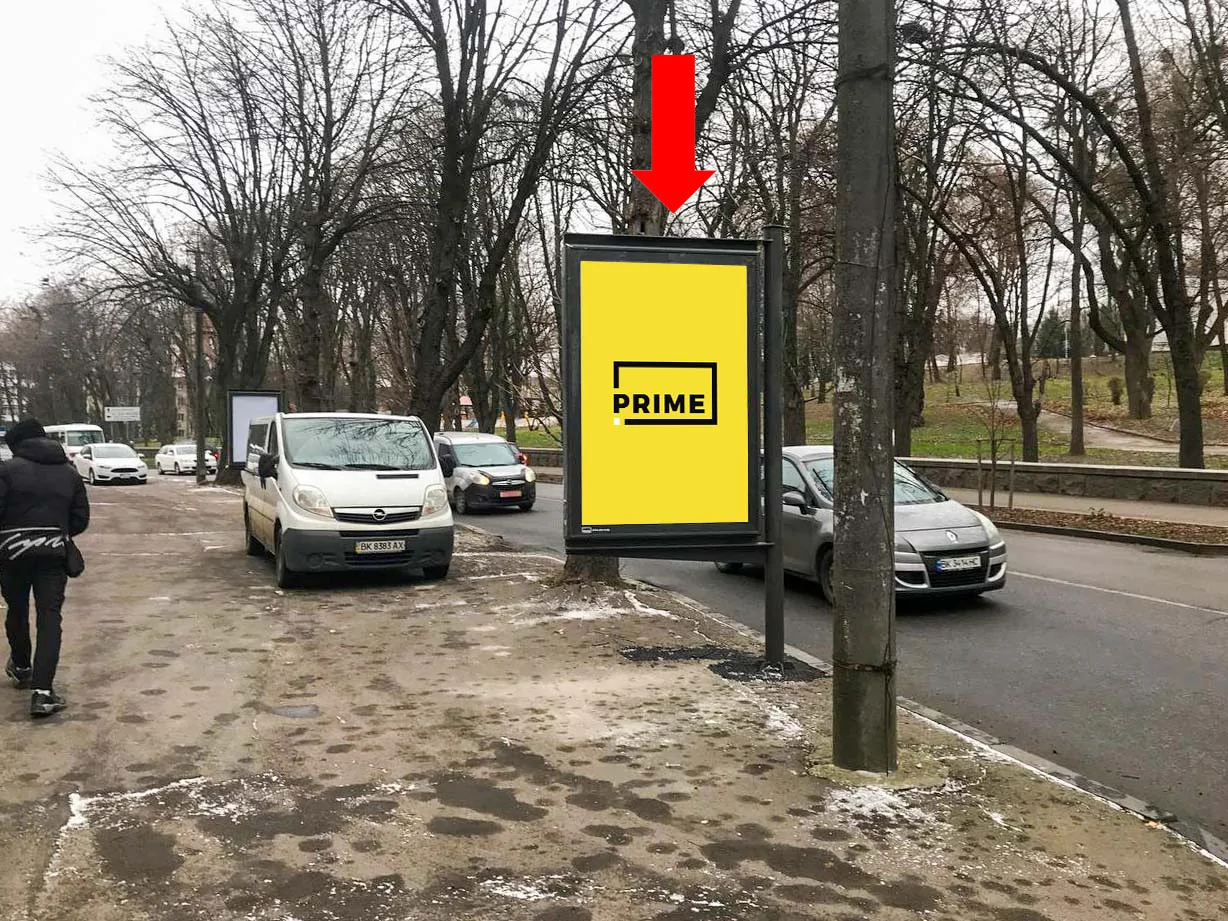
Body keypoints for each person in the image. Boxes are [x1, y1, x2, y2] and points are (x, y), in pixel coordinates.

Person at [0, 418, 90, 718]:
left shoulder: (7, 471)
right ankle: (42, 692)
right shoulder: (69, 472)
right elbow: (80, 518)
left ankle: (21, 666)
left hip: (12, 554)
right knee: (49, 617)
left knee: (16, 609)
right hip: (53, 554)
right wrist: (54, 532)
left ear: (18, 445)